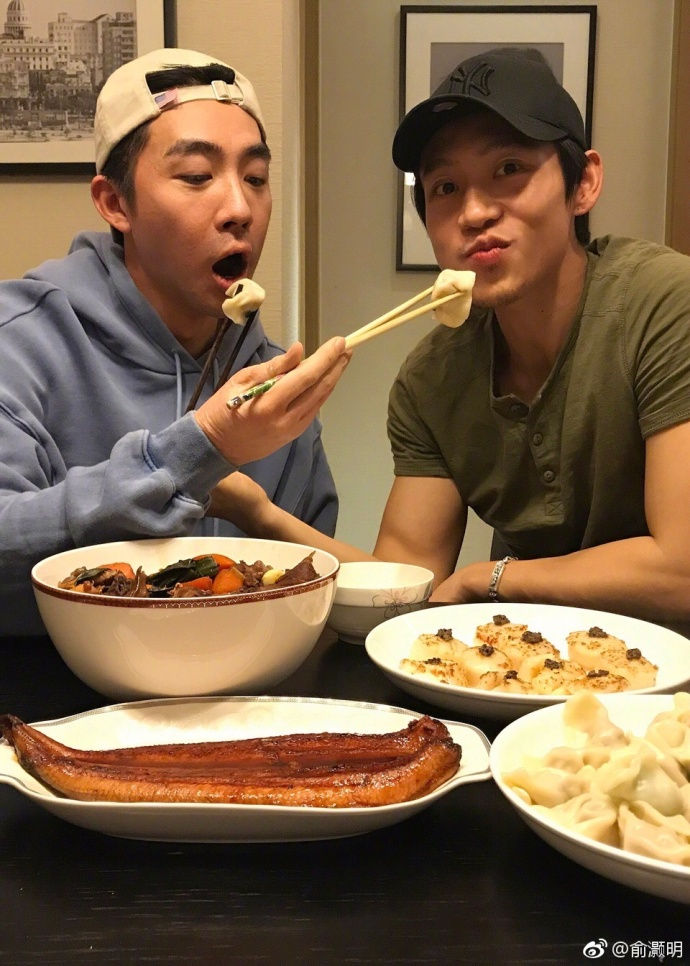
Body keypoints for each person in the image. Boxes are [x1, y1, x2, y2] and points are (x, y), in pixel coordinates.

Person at [216, 47, 690, 631]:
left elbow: (682, 569)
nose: (474, 212)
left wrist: (490, 579)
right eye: (445, 187)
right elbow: (402, 585)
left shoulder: (664, 304)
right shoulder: (434, 378)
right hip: (535, 665)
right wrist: (259, 513)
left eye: (509, 169)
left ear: (584, 183)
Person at [0, 48, 349, 635]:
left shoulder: (270, 384)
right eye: (196, 177)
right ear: (116, 203)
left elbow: (304, 588)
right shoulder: (21, 341)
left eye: (256, 179)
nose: (239, 208)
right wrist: (200, 449)